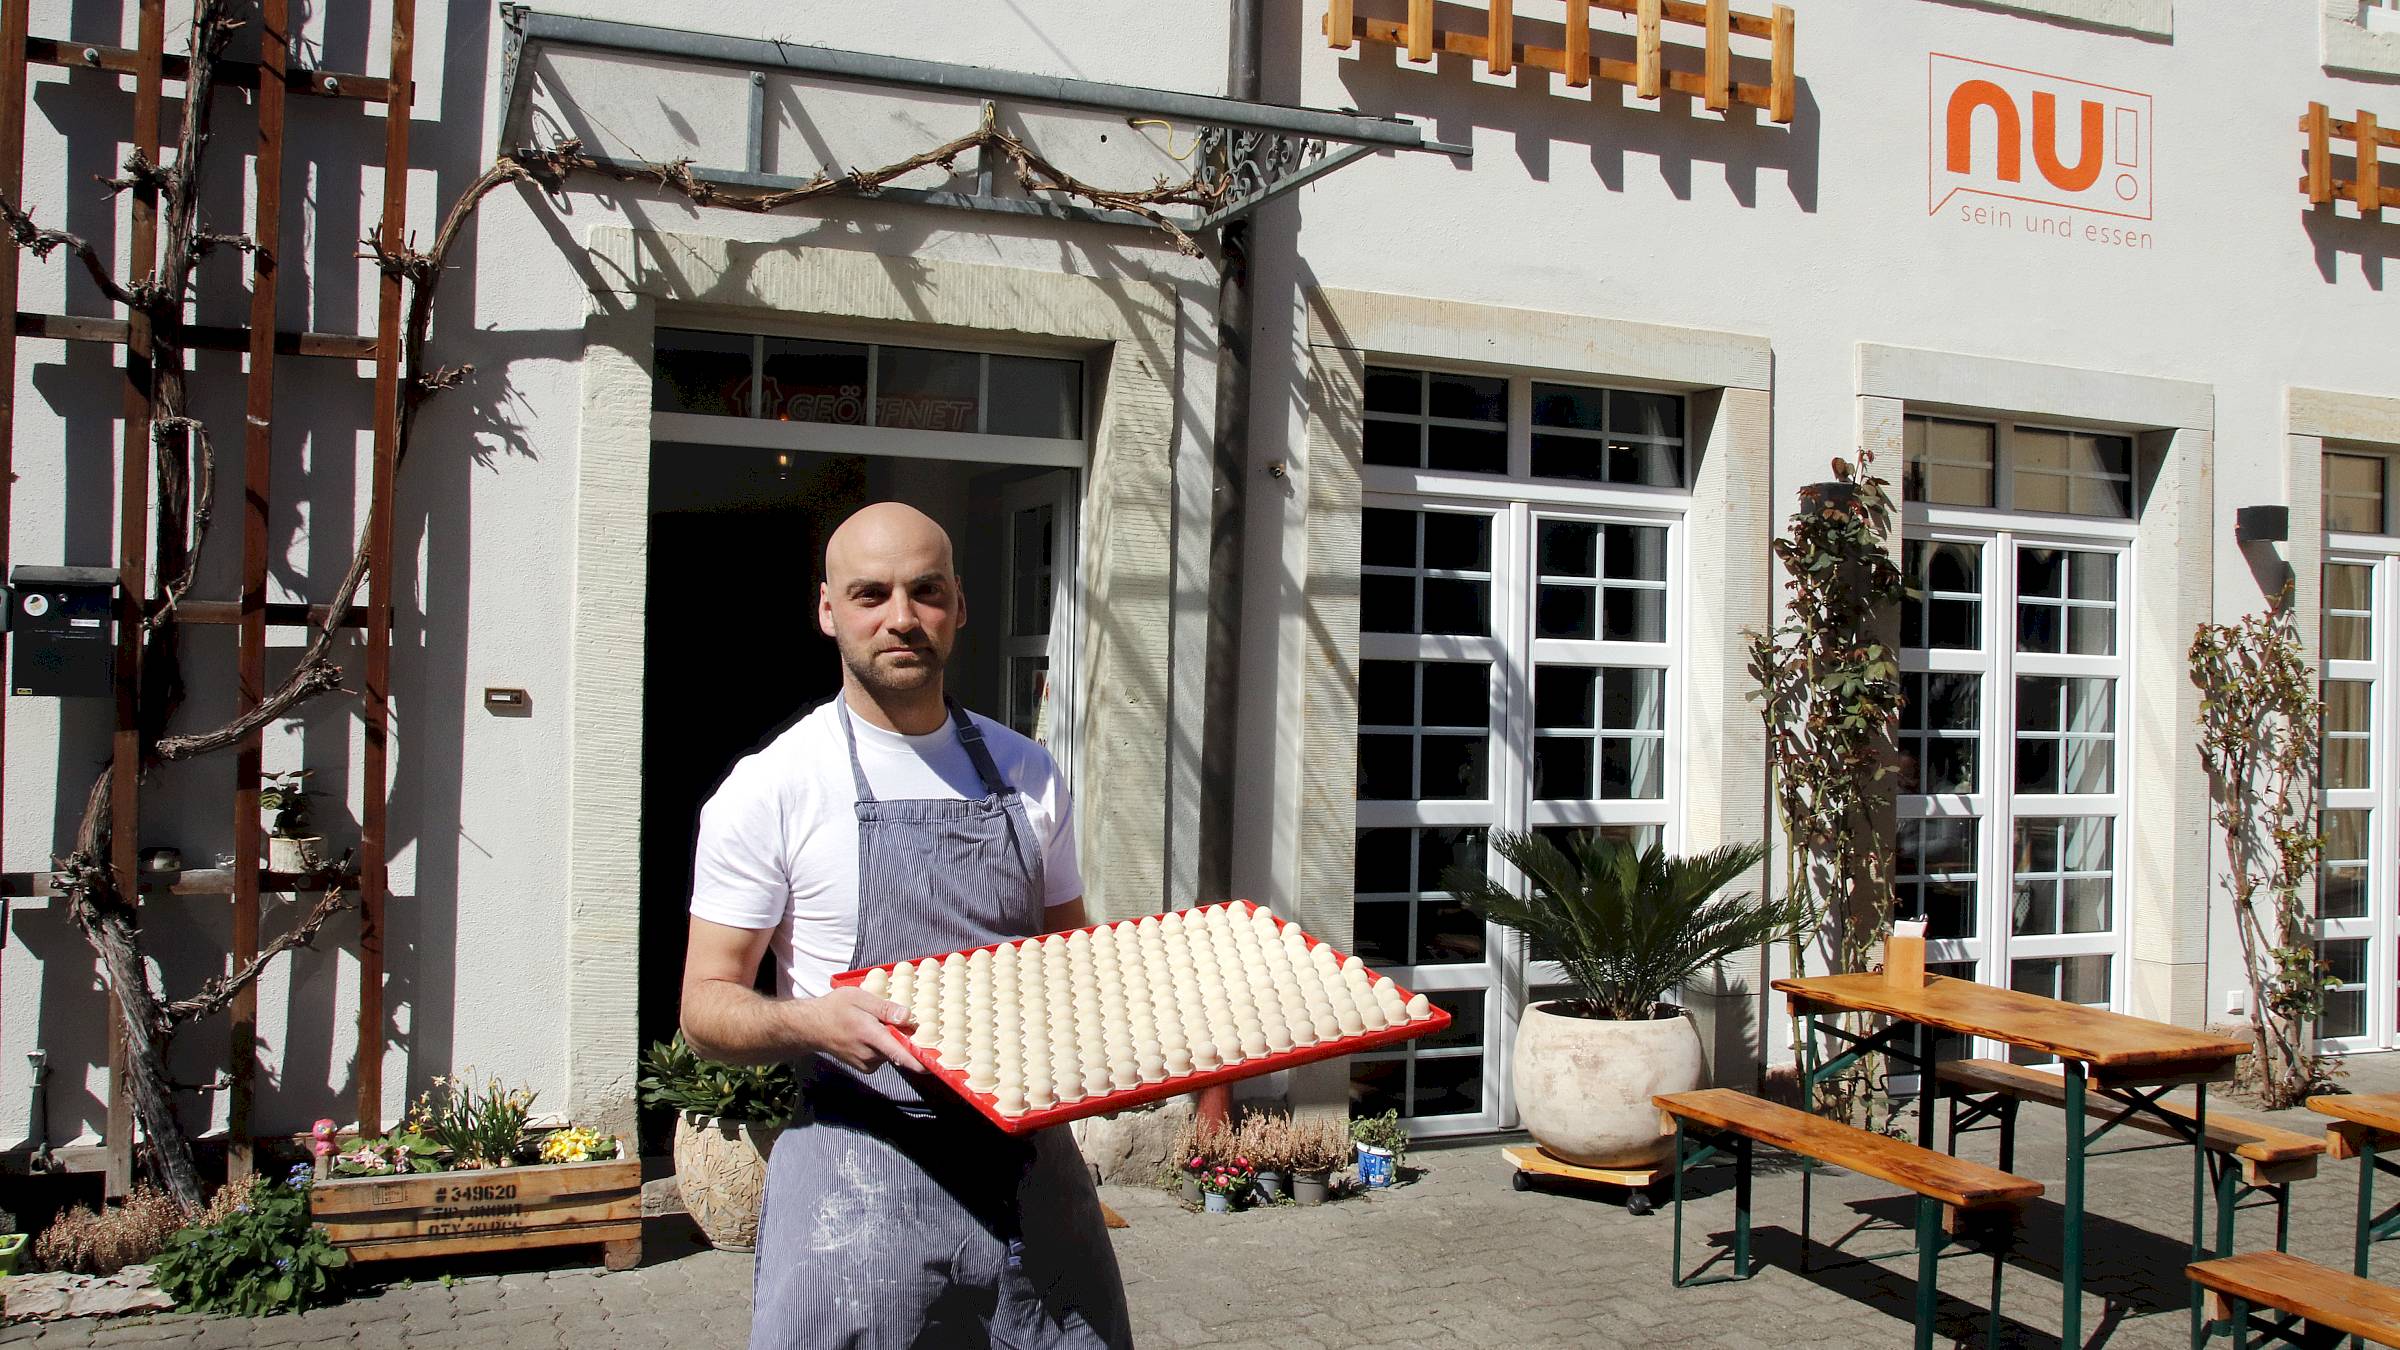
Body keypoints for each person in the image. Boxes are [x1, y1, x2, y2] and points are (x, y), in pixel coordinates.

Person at [679, 501, 1131, 1350]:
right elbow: (706, 1005)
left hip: (1032, 1171)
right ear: (827, 610)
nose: (901, 617)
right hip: (859, 1165)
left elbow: (1074, 963)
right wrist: (809, 1022)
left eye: (925, 591)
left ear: (958, 605)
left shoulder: (1028, 772)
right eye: (869, 593)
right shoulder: (773, 788)